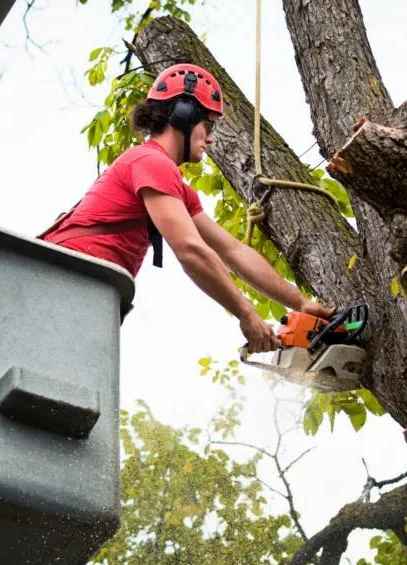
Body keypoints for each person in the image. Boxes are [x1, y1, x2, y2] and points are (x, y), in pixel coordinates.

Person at [41, 63, 333, 353]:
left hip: (82, 288)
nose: (211, 138)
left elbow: (233, 251)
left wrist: (301, 303)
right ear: (183, 114)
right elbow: (190, 250)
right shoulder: (151, 162)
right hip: (59, 280)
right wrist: (246, 313)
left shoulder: (172, 186)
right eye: (208, 125)